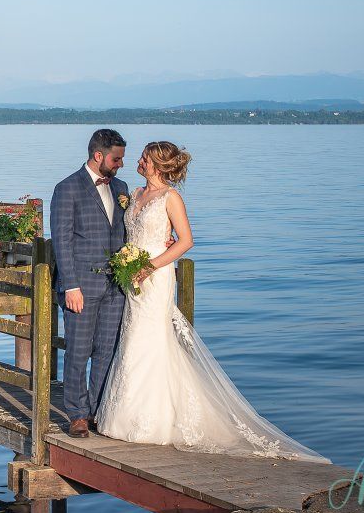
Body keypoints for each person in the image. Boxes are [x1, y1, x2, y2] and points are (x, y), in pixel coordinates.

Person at [95, 141, 329, 462]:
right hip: (132, 276)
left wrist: (151, 265)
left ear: (158, 165)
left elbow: (186, 241)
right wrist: (127, 261)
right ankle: (124, 415)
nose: (139, 161)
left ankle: (153, 422)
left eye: (145, 158)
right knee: (132, 338)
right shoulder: (135, 195)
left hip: (156, 275)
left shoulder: (171, 198)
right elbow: (131, 234)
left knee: (151, 339)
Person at [50, 128, 130, 438]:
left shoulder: (121, 188)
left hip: (115, 287)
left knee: (106, 351)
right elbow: (62, 240)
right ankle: (77, 415)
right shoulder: (67, 188)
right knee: (78, 351)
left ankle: (98, 412)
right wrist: (70, 285)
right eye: (116, 158)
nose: (120, 163)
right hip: (80, 285)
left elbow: (128, 232)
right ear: (99, 156)